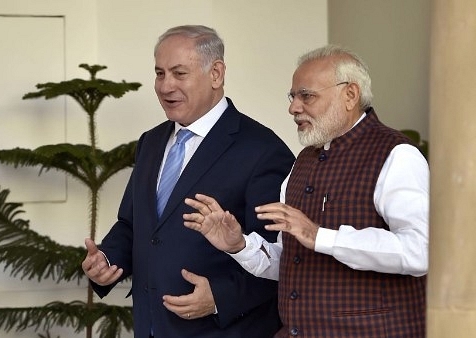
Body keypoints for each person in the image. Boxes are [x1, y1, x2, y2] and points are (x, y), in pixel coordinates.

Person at [183, 45, 429, 337]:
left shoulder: (396, 154)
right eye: (293, 96)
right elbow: (291, 263)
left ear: (350, 95)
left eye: (307, 96)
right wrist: (239, 245)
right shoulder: (303, 161)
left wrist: (319, 235)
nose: (293, 107)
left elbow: (419, 252)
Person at [81, 25, 295, 338]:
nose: (165, 86)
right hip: (152, 327)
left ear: (216, 74)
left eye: (179, 73)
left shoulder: (263, 150)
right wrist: (106, 261)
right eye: (159, 73)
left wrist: (220, 297)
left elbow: (283, 256)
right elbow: (134, 225)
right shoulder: (151, 142)